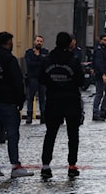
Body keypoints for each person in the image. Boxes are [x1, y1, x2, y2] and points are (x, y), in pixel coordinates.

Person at [0, 31, 34, 178]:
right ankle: (15, 166)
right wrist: (20, 100)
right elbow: (17, 81)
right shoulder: (9, 59)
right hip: (8, 103)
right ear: (8, 43)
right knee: (12, 135)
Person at [39, 31, 85, 178]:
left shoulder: (47, 60)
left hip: (53, 100)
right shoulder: (74, 60)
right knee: (73, 135)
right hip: (71, 101)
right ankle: (72, 166)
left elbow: (41, 79)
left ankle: (46, 167)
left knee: (50, 134)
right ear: (69, 43)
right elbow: (81, 82)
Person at [24, 35, 49, 124]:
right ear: (34, 42)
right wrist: (40, 60)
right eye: (38, 41)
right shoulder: (29, 52)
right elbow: (29, 64)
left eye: (41, 41)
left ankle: (43, 116)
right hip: (32, 78)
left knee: (43, 98)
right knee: (30, 97)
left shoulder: (45, 52)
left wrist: (37, 59)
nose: (39, 43)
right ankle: (29, 115)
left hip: (42, 79)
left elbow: (46, 63)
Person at [92, 34, 106, 121]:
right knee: (99, 93)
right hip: (100, 75)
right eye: (104, 40)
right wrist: (103, 75)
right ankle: (96, 113)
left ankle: (103, 112)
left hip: (105, 73)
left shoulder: (104, 50)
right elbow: (98, 63)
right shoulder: (99, 50)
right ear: (100, 41)